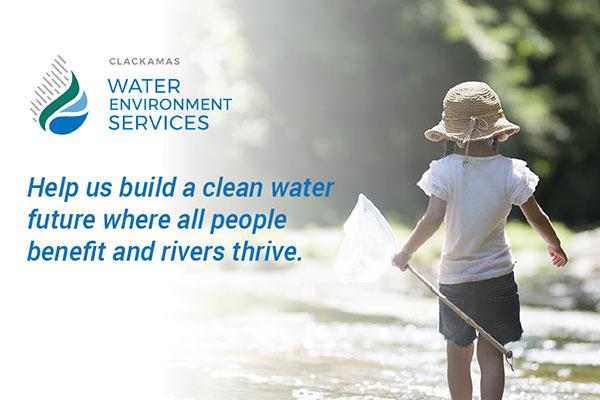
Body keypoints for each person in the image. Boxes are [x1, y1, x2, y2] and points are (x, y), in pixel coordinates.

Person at [391, 81, 568, 400]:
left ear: (453, 133)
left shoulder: (444, 171)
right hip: (497, 278)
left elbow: (432, 220)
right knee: (492, 354)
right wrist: (553, 244)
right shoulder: (512, 172)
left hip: (456, 279)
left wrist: (406, 252)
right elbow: (536, 216)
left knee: (458, 355)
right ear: (498, 131)